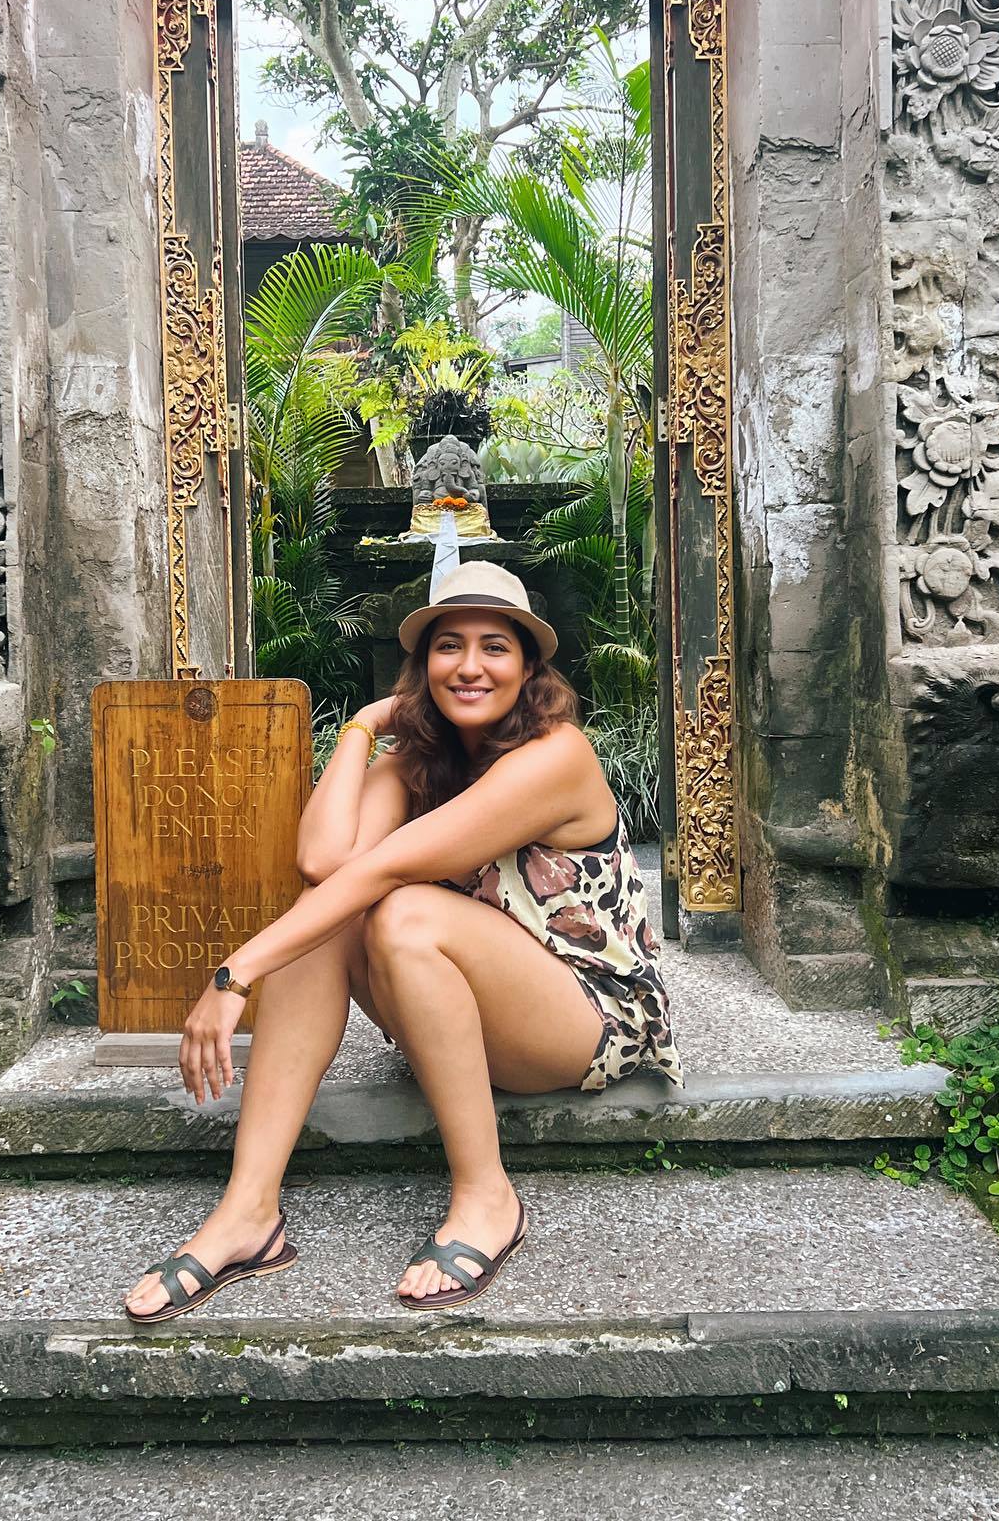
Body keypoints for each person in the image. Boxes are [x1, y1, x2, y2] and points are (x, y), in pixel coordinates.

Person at [123, 562, 681, 1324]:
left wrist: (233, 975)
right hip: (478, 1011)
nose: (470, 666)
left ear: (529, 669)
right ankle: (247, 1211)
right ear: (422, 667)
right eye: (449, 646)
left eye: (495, 647)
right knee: (330, 913)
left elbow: (383, 869)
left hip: (588, 1017)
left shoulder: (557, 755)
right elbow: (323, 862)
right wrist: (363, 725)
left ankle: (488, 1198)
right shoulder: (420, 761)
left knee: (400, 912)